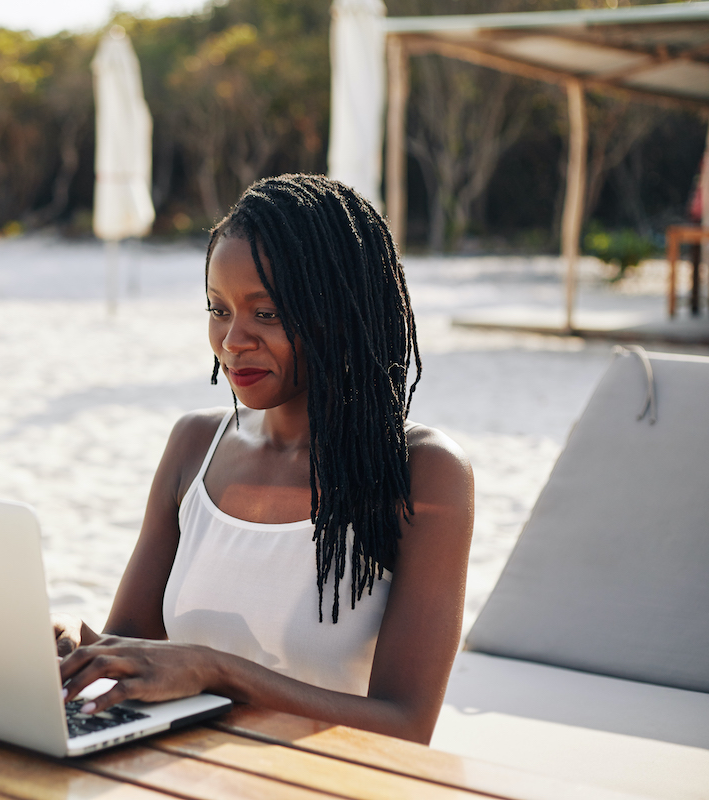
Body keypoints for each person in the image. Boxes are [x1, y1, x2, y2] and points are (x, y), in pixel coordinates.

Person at [54, 174, 474, 745]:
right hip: (181, 775)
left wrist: (216, 670)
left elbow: (406, 723)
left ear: (340, 311)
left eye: (267, 313)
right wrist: (67, 649)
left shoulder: (425, 472)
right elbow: (127, 647)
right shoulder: (194, 447)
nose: (232, 341)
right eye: (218, 310)